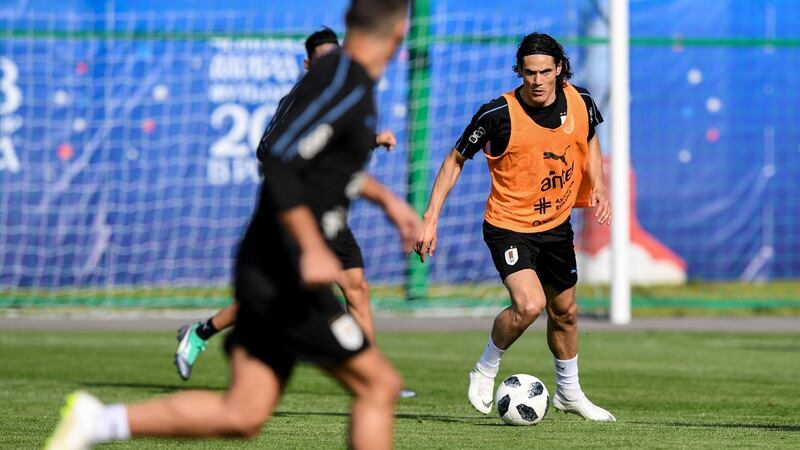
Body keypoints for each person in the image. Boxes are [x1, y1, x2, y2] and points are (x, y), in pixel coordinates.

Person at [46, 1, 413, 449]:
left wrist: (391, 203)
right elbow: (278, 159)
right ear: (400, 30)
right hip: (288, 267)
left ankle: (96, 422)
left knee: (242, 413)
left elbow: (327, 169)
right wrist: (312, 247)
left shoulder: (349, 82)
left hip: (271, 263)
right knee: (377, 385)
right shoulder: (342, 80)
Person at [174, 28, 416, 398]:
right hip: (298, 220)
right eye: (323, 60)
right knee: (276, 301)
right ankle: (202, 331)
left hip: (333, 217)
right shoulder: (297, 99)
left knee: (357, 288)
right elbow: (271, 150)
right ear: (308, 65)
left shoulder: (347, 97)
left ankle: (372, 373)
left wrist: (384, 188)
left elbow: (333, 153)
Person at [414, 32, 615, 422]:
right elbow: (455, 160)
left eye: (544, 72)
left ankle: (569, 394)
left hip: (556, 225)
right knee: (529, 304)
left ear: (559, 69)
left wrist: (600, 187)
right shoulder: (497, 114)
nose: (537, 81)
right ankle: (485, 368)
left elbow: (589, 138)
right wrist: (430, 218)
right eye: (528, 73)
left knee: (566, 312)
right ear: (518, 72)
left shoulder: (582, 101)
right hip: (508, 226)